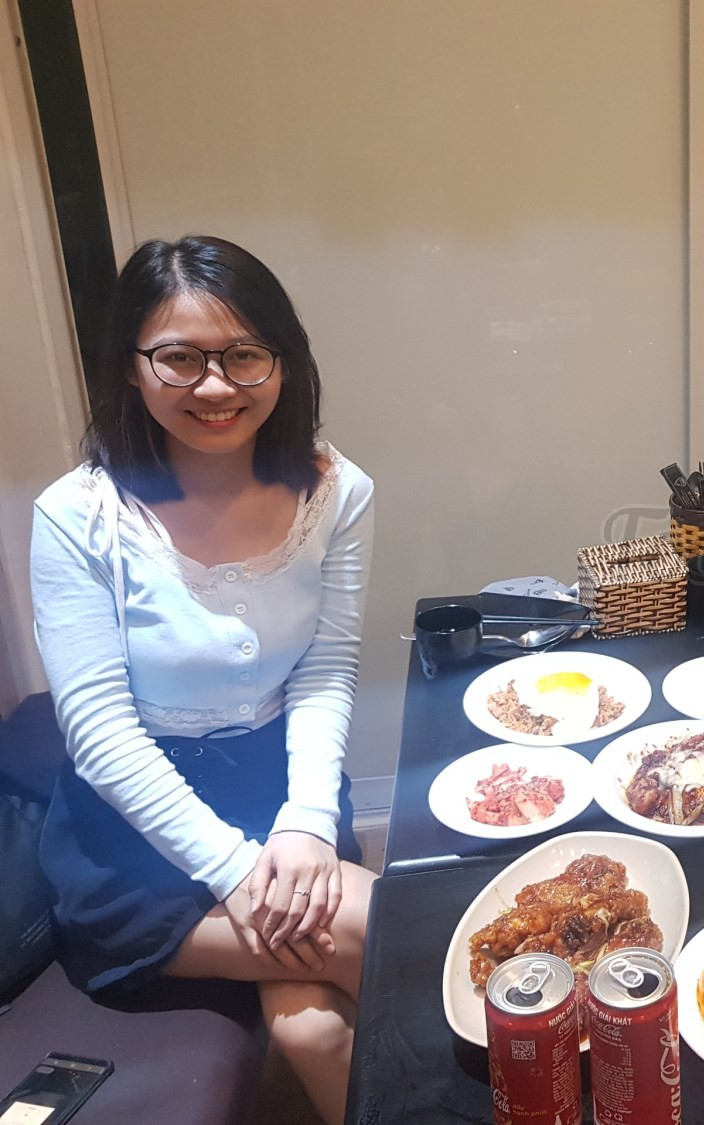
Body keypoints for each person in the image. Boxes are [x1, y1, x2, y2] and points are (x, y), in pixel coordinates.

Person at [30, 235, 375, 1125]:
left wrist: (305, 821)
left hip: (283, 795)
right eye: (180, 358)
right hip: (134, 838)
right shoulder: (77, 515)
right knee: (392, 936)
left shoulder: (337, 490)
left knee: (313, 1033)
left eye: (245, 355)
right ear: (131, 365)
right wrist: (233, 866)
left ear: (284, 362)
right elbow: (100, 735)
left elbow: (327, 666)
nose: (217, 386)